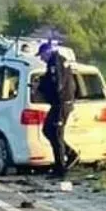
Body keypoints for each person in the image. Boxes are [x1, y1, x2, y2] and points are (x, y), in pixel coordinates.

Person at [37, 42, 78, 176]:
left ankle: (60, 168)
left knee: (57, 134)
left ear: (47, 52)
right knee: (47, 130)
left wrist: (43, 88)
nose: (41, 59)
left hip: (61, 103)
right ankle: (70, 154)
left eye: (42, 55)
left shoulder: (55, 63)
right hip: (60, 103)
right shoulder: (59, 60)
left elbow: (57, 84)